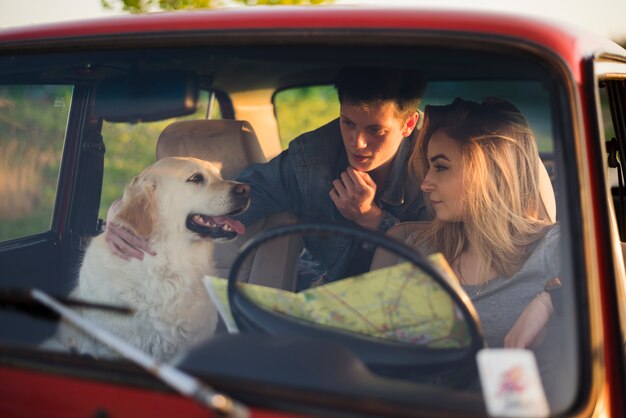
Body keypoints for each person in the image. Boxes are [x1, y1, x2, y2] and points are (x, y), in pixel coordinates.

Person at [104, 67, 429, 288]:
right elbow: (241, 199)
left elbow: (454, 256)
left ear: (408, 125)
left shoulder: (436, 167)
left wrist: (373, 220)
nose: (357, 143)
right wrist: (127, 213)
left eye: (375, 130)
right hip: (329, 301)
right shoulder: (311, 158)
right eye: (347, 123)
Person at [406, 97, 560, 351]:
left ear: (488, 171)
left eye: (441, 167)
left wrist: (550, 300)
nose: (425, 183)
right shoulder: (420, 251)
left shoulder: (553, 247)